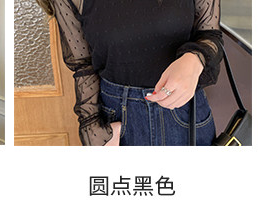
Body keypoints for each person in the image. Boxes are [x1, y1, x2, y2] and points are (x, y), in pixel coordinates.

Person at [34, 1, 222, 146]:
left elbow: (210, 34)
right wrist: (91, 127)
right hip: (118, 118)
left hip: (186, 114)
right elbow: (83, 65)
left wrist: (194, 59)